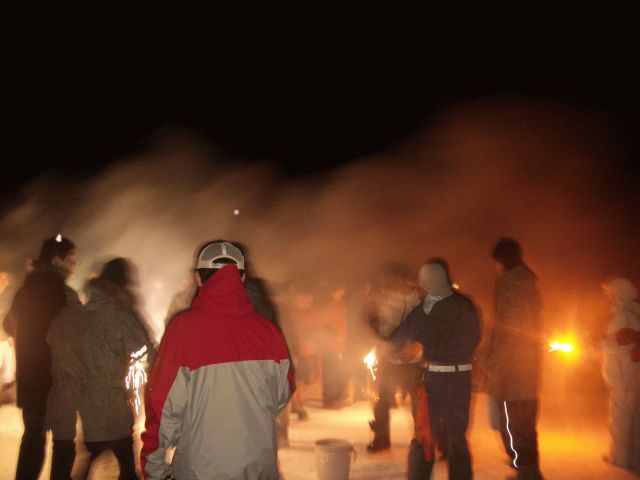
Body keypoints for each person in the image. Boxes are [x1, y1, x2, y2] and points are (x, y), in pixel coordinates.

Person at [141, 241, 294, 480]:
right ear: (242, 278)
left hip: (201, 469)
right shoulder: (269, 332)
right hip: (260, 468)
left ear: (198, 278)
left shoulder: (182, 330)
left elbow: (162, 406)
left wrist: (155, 470)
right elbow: (283, 393)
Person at [392, 259, 480, 480]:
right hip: (462, 377)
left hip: (436, 379)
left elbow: (399, 339)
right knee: (457, 436)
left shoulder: (426, 308)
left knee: (425, 433)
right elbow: (477, 337)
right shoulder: (467, 305)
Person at [3, 235, 78, 480]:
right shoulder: (65, 295)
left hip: (30, 381)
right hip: (59, 383)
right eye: (71, 260)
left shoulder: (24, 291)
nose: (74, 265)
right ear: (57, 261)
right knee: (63, 443)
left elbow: (8, 325)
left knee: (33, 440)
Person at [486, 238, 544, 480]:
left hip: (513, 367)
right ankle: (528, 468)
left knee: (514, 422)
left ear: (502, 260)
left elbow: (508, 330)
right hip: (529, 364)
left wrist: (495, 365)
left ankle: (526, 470)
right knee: (525, 422)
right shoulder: (529, 282)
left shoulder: (510, 285)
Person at [364, 263, 422, 452]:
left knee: (417, 403)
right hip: (387, 359)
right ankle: (381, 439)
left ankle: (422, 439)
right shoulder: (382, 298)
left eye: (389, 280)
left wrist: (416, 345)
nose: (386, 283)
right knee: (382, 400)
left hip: (412, 361)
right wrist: (373, 326)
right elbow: (374, 321)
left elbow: (425, 326)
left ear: (399, 279)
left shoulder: (417, 299)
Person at [601, 277, 640, 475]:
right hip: (631, 376)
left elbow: (622, 343)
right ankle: (635, 460)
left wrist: (597, 344)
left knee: (621, 421)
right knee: (634, 421)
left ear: (619, 293)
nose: (607, 295)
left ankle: (620, 461)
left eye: (610, 292)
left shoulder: (623, 314)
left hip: (623, 376)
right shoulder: (633, 312)